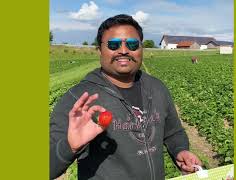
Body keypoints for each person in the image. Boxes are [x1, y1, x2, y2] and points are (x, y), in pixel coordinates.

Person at [50, 14, 202, 180]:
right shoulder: (79, 99)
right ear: (100, 50)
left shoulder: (157, 88)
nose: (123, 50)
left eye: (132, 44)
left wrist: (180, 150)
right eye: (113, 45)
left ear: (141, 48)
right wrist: (69, 147)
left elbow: (173, 132)